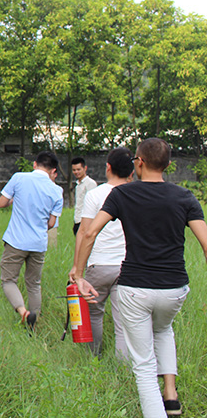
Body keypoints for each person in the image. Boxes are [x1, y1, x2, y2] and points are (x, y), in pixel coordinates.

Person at [74, 138, 207, 417]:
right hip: (174, 290)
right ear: (168, 165)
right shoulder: (185, 197)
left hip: (135, 289)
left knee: (144, 366)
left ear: (140, 162)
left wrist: (80, 274)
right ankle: (170, 397)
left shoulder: (123, 195)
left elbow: (89, 233)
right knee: (163, 330)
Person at [67, 147, 133, 358]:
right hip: (127, 265)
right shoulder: (135, 193)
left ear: (108, 168)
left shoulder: (95, 194)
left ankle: (92, 360)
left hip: (99, 264)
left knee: (94, 314)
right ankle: (123, 367)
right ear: (131, 170)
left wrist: (77, 267)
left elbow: (85, 232)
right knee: (122, 321)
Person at [0, 151, 64, 328]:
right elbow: (51, 223)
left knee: (9, 280)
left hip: (16, 241)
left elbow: (1, 203)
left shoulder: (19, 178)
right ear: (53, 171)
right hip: (38, 244)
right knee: (34, 284)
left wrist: (14, 201)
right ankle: (34, 323)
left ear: (35, 164)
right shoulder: (57, 190)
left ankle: (23, 311)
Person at [72, 157, 97, 235]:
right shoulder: (78, 185)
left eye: (79, 169)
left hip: (85, 221)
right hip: (77, 220)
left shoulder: (90, 184)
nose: (76, 172)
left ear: (85, 168)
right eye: (74, 170)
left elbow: (93, 204)